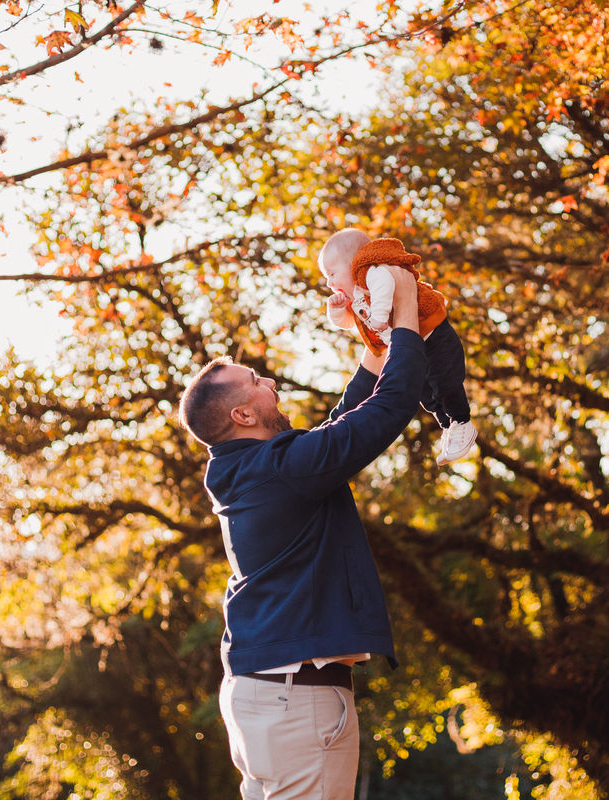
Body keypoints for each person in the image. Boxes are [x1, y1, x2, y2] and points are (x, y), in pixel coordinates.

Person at [178, 266, 426, 800]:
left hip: (266, 696)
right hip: (296, 703)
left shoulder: (252, 466)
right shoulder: (280, 468)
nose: (270, 382)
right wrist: (406, 308)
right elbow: (386, 410)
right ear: (243, 412)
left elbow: (340, 426)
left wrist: (374, 344)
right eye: (256, 382)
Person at [320, 229, 477, 465]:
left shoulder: (373, 271)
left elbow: (384, 286)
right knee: (427, 393)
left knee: (445, 382)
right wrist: (337, 310)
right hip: (416, 345)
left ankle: (462, 421)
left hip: (433, 334)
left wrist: (380, 315)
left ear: (354, 262)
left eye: (332, 274)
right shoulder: (358, 297)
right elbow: (349, 322)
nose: (329, 283)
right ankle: (449, 426)